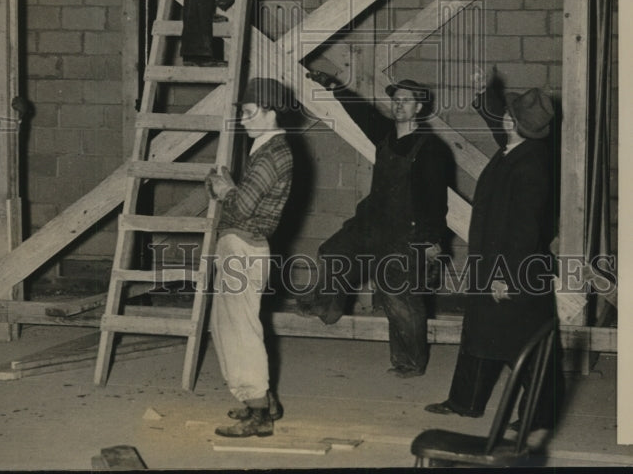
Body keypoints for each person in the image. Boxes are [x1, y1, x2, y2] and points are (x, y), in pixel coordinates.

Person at [425, 73, 562, 431]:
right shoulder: (516, 148)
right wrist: (484, 91)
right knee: (479, 330)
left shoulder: (531, 165)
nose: (503, 115)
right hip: (492, 262)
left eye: (509, 113)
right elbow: (496, 119)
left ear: (516, 125)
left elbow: (526, 228)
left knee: (525, 347)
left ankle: (539, 415)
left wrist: (507, 276)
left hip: (514, 268)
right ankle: (465, 402)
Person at [298, 75, 450, 378]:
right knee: (333, 251)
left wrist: (431, 242)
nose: (399, 105)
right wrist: (333, 87)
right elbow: (362, 112)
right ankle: (326, 306)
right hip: (372, 223)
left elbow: (436, 201)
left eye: (406, 100)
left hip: (406, 234)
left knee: (399, 299)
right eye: (396, 99)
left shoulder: (432, 149)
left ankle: (410, 363)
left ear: (419, 107)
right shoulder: (386, 134)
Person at [207, 77, 294, 438]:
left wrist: (226, 190)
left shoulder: (273, 153)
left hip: (244, 250)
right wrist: (228, 187)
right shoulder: (264, 149)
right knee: (227, 326)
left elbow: (242, 205)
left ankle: (260, 415)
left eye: (248, 112)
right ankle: (258, 400)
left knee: (241, 330)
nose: (242, 119)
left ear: (270, 112)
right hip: (240, 247)